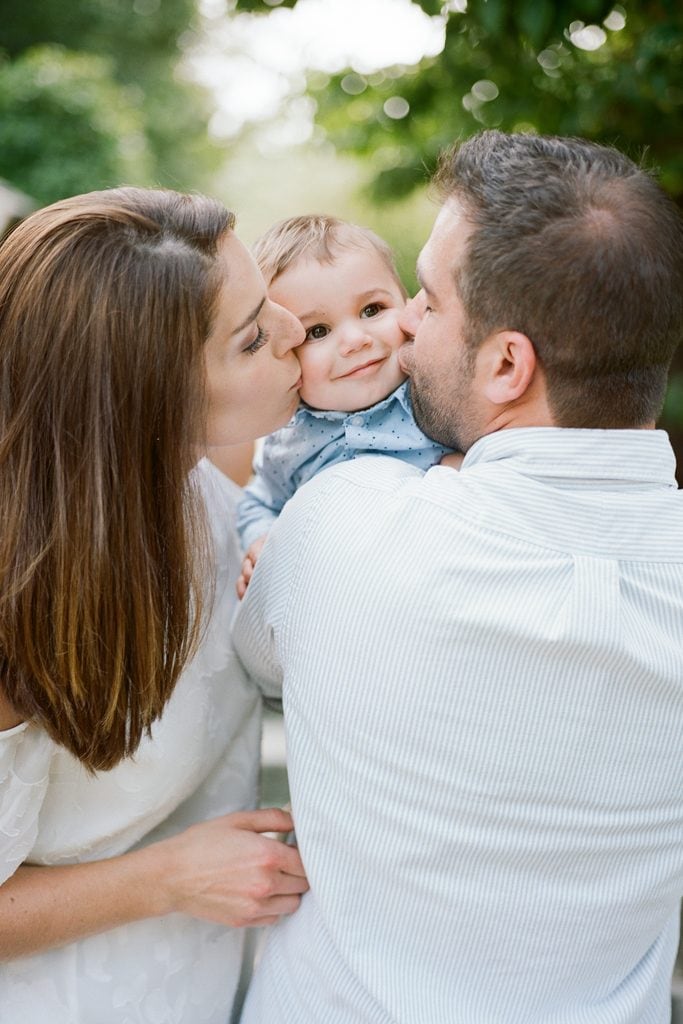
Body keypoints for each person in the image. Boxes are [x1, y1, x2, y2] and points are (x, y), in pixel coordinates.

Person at [233, 131, 683, 1023]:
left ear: (506, 364)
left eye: (424, 303)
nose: (397, 324)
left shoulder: (343, 521)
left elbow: (259, 665)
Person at [0, 186, 309, 1024]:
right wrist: (169, 879)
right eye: (251, 338)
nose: (294, 331)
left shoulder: (215, 488)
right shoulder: (19, 591)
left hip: (200, 990)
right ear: (148, 399)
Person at [235, 215, 450, 591]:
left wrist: (459, 471)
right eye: (317, 332)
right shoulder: (288, 437)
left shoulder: (435, 393)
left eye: (372, 310)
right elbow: (258, 501)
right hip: (342, 591)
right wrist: (261, 540)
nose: (355, 340)